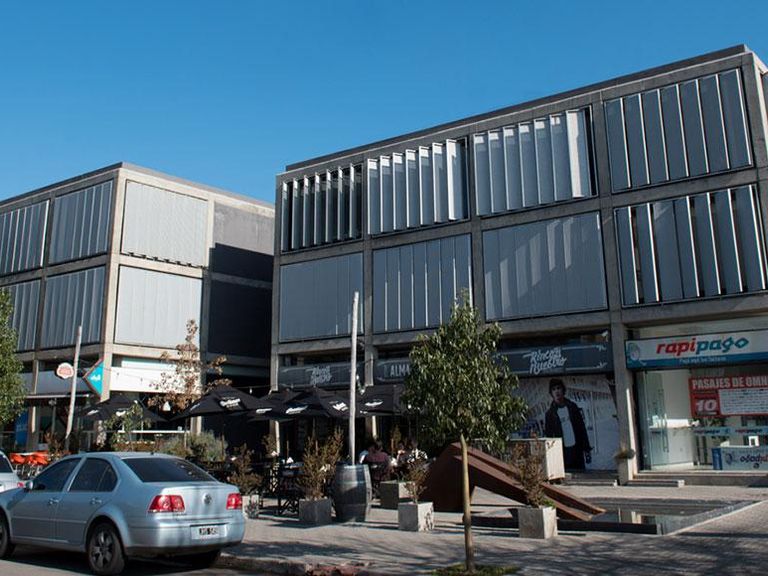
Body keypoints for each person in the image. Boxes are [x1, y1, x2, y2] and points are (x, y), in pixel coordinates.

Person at [544, 378, 592, 471]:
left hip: (576, 450)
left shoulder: (572, 407)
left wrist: (586, 449)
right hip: (562, 452)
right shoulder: (550, 414)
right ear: (551, 393)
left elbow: (581, 428)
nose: (557, 391)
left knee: (579, 474)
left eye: (558, 388)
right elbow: (549, 436)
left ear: (563, 390)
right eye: (554, 389)